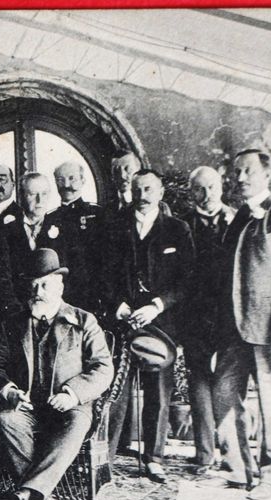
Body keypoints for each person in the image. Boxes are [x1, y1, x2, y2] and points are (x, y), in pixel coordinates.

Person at [0, 248, 113, 500]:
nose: (37, 291)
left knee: (78, 423)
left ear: (60, 285)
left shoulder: (83, 321)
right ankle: (38, 498)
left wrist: (73, 394)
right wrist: (11, 392)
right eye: (32, 285)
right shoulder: (13, 324)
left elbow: (103, 368)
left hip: (69, 408)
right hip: (29, 407)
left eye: (44, 284)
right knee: (7, 418)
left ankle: (24, 494)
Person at [210, 148, 271, 500]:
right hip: (233, 329)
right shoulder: (237, 218)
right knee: (222, 394)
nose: (239, 178)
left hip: (269, 328)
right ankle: (239, 469)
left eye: (247, 171)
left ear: (267, 175)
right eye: (236, 172)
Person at [101, 169, 194, 483]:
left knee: (157, 392)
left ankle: (154, 458)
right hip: (122, 321)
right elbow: (102, 274)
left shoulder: (177, 230)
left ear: (160, 193)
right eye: (138, 189)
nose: (143, 194)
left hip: (160, 323)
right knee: (117, 390)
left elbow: (186, 281)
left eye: (149, 188)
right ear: (131, 192)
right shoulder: (114, 228)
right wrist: (118, 305)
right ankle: (108, 457)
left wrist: (156, 306)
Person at [180, 166, 238, 475]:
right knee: (198, 383)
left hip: (229, 316)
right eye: (200, 189)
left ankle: (230, 451)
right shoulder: (183, 225)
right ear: (192, 194)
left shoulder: (237, 220)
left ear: (221, 187)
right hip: (194, 316)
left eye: (212, 187)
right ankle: (204, 454)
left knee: (226, 385)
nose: (207, 194)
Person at [0, 172, 86, 311]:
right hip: (17, 311)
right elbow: (1, 276)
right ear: (21, 196)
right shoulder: (6, 230)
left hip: (56, 310)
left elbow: (75, 273)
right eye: (32, 194)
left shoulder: (64, 227)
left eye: (44, 194)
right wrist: (16, 310)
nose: (39, 200)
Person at [46, 161, 103, 312]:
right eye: (60, 179)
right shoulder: (50, 218)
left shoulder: (97, 214)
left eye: (72, 178)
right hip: (60, 296)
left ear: (83, 181)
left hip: (91, 295)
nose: (66, 184)